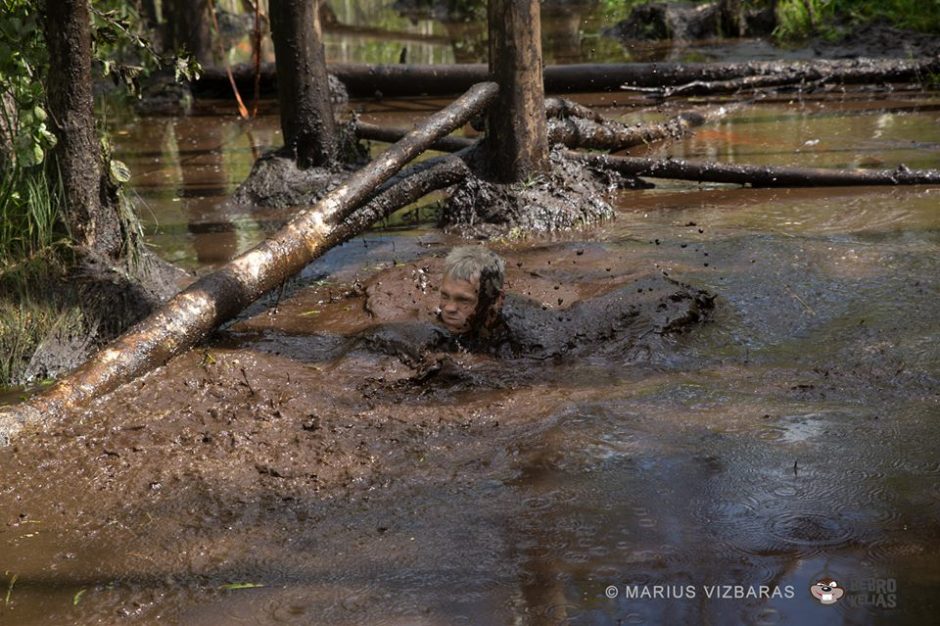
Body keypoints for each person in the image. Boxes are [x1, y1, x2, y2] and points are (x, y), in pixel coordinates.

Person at [434, 245, 714, 360]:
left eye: (463, 300)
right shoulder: (469, 316)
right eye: (445, 296)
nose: (449, 308)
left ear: (495, 302)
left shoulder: (532, 341)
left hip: (662, 306)